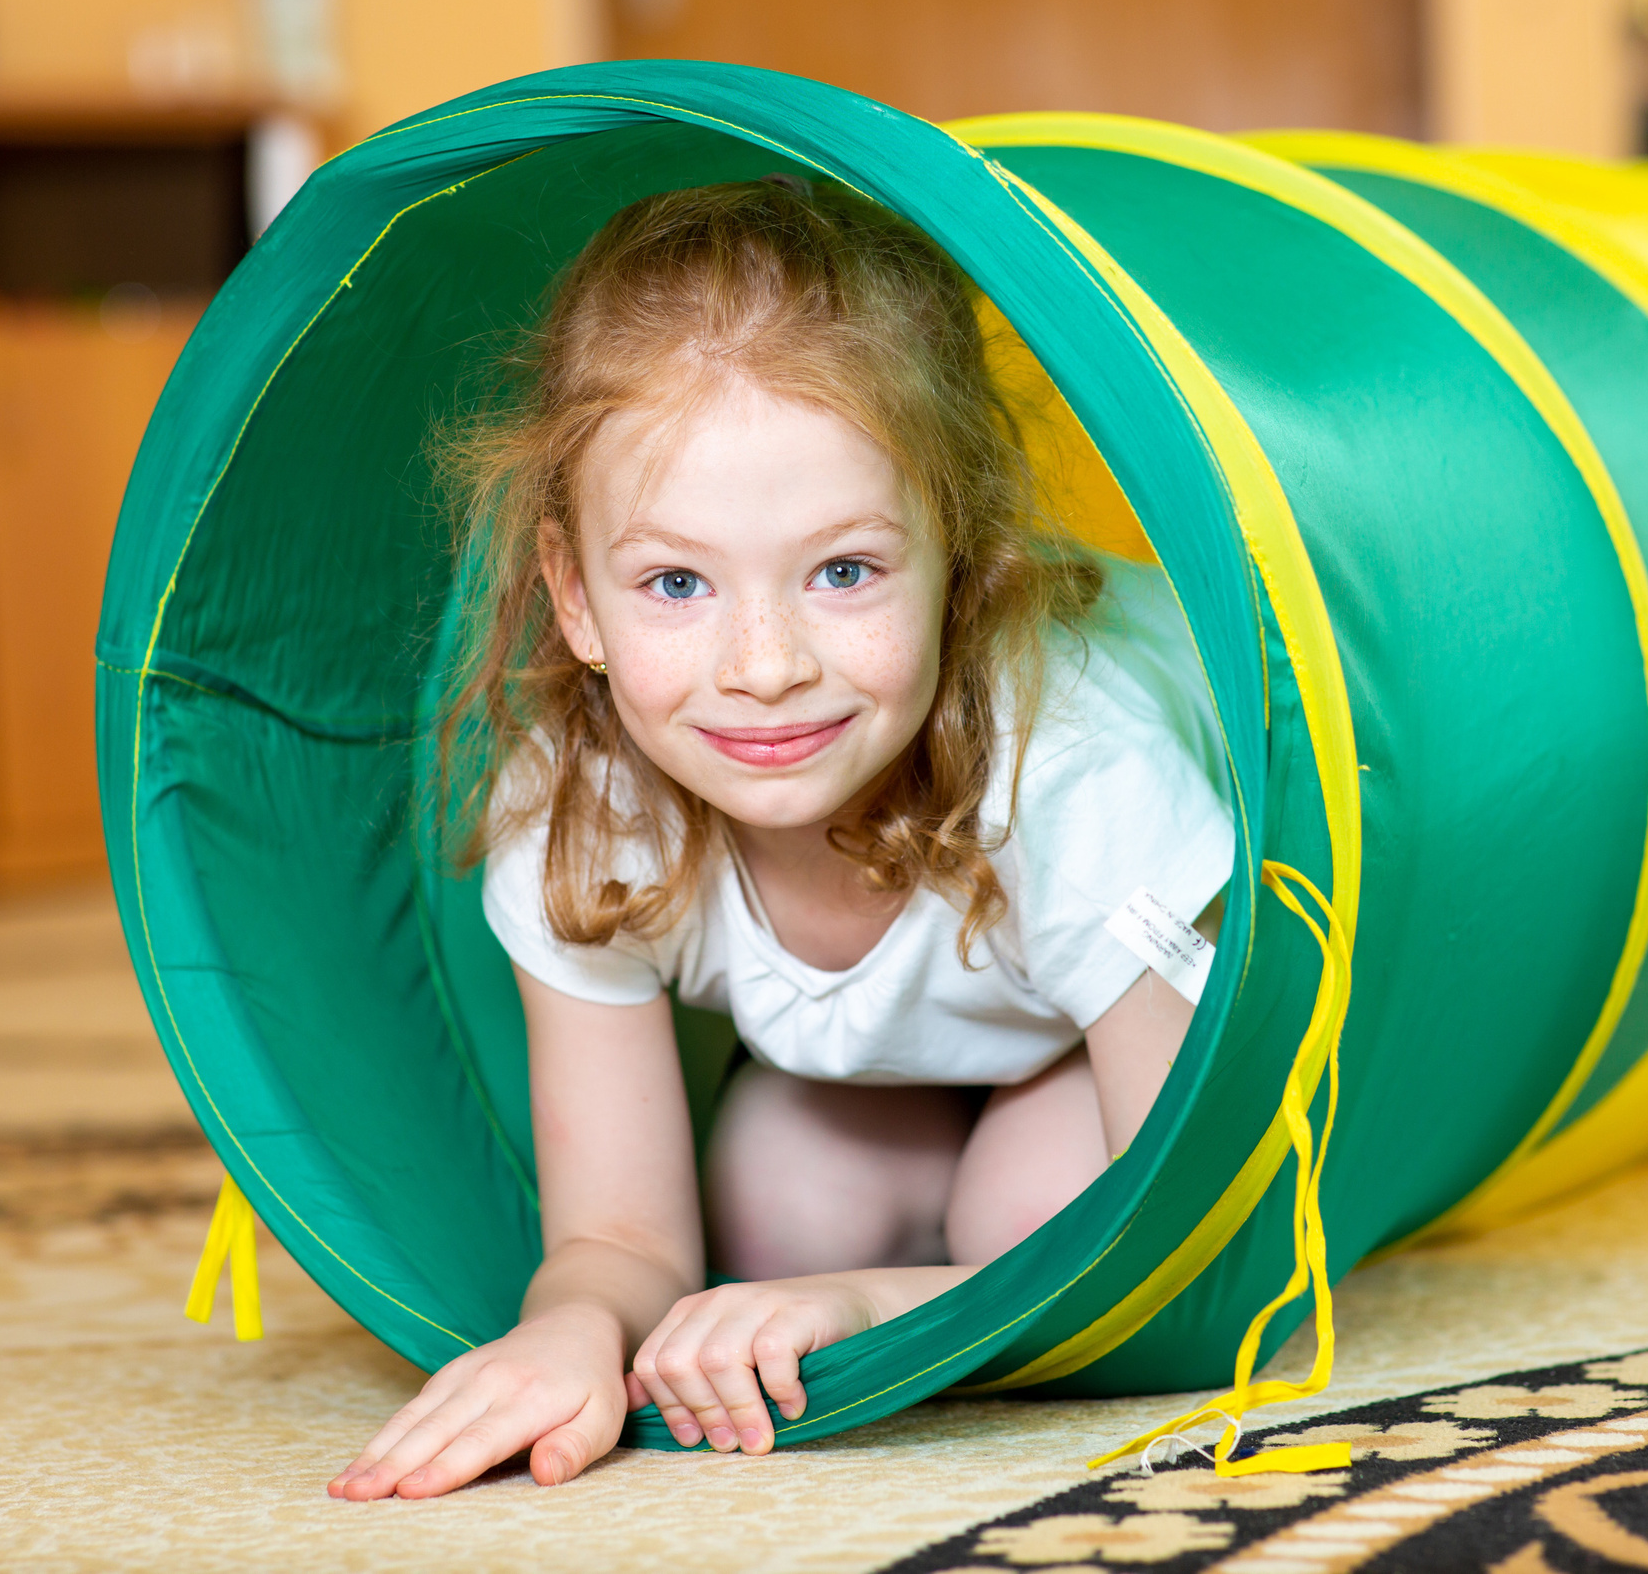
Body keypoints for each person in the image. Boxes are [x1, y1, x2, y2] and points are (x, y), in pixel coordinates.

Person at [329, 178, 1233, 1502]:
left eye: (845, 571)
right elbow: (623, 1233)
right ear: (575, 596)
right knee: (767, 1219)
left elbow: (1205, 1237)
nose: (763, 668)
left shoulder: (1078, 772)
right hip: (937, 1038)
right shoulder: (584, 811)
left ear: (961, 559)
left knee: (1028, 1222)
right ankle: (936, 1185)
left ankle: (960, 1207)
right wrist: (573, 1321)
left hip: (1152, 1005)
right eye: (676, 583)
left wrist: (876, 1307)